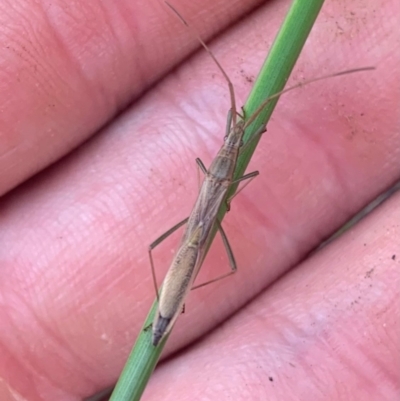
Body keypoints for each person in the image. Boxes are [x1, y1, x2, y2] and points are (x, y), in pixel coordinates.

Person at [0, 1, 398, 400]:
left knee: (213, 255)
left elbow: (229, 163)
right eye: (235, 132)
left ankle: (168, 308)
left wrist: (224, 188)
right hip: (203, 217)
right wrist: (226, 191)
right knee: (181, 249)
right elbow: (239, 165)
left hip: (202, 217)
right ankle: (168, 309)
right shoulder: (230, 156)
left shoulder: (221, 160)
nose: (235, 133)